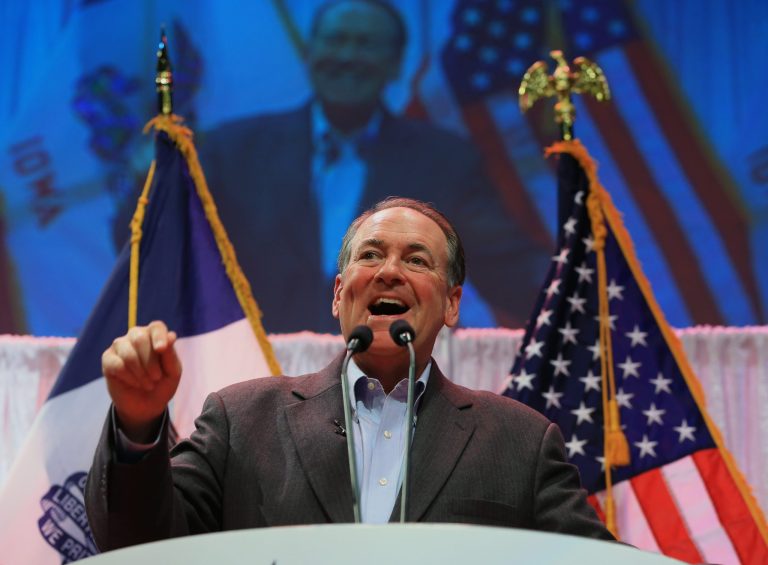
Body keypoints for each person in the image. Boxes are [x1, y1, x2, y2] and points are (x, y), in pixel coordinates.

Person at [85, 197, 614, 550]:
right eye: (371, 255)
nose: (389, 271)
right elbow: (139, 546)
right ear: (339, 295)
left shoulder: (519, 442)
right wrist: (137, 427)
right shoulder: (241, 420)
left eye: (417, 260)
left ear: (452, 304)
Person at [195, 0, 549, 333]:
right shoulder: (233, 153)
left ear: (395, 64)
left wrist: (583, 294)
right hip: (258, 373)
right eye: (336, 40)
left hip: (394, 377)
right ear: (310, 52)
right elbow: (187, 262)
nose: (348, 56)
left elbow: (511, 269)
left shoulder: (444, 161)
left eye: (366, 44)